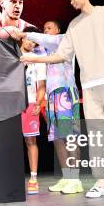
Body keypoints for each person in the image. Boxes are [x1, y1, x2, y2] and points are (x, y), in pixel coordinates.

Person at [21, 0, 104, 197]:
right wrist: (34, 58)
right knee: (96, 136)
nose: (72, 1)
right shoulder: (74, 25)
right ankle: (102, 182)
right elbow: (61, 55)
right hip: (89, 87)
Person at [22, 20, 83, 195]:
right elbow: (27, 50)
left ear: (58, 29)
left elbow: (40, 43)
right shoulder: (43, 50)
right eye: (44, 28)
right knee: (57, 137)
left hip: (65, 92)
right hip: (51, 97)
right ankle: (66, 177)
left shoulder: (64, 40)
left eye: (49, 28)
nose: (46, 31)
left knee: (69, 136)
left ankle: (75, 179)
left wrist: (30, 36)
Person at [19, 27, 46, 195]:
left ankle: (34, 178)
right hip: (11, 105)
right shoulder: (12, 56)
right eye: (29, 39)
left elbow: (41, 86)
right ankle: (11, 177)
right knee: (11, 143)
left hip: (29, 104)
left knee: (31, 142)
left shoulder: (38, 60)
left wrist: (39, 101)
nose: (31, 43)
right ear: (22, 37)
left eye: (35, 42)